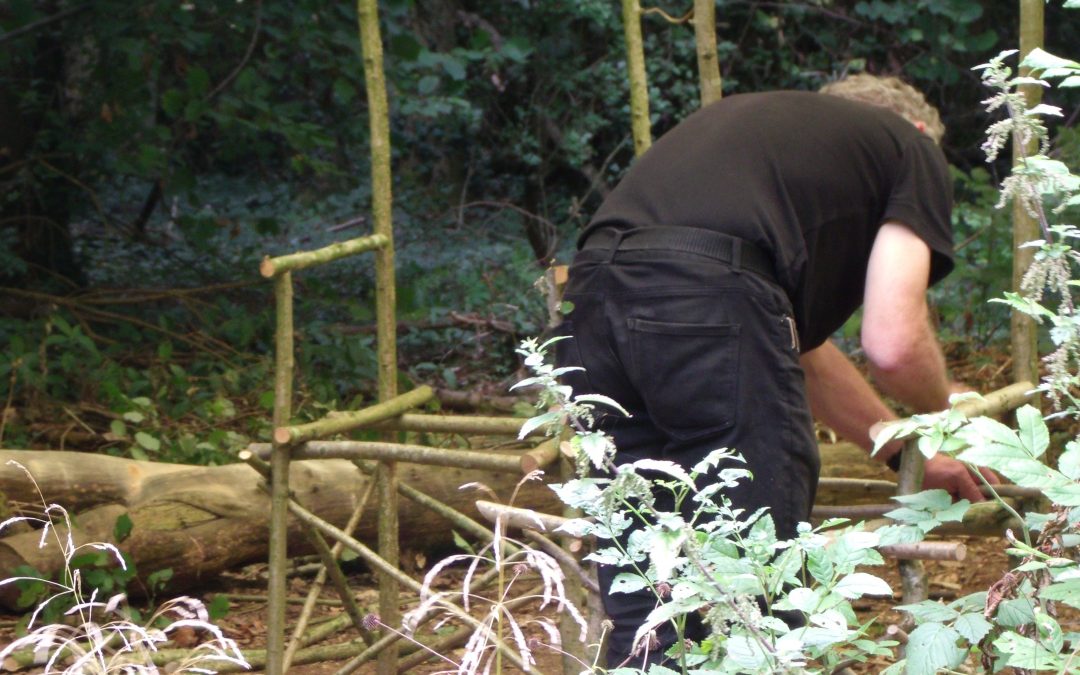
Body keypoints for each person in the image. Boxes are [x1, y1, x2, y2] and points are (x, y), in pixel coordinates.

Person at [553, 74, 1000, 667]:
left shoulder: (757, 148)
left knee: (646, 579)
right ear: (916, 130)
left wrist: (901, 450)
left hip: (588, 303)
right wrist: (948, 421)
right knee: (756, 579)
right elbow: (893, 341)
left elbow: (796, 353)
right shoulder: (908, 146)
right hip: (708, 302)